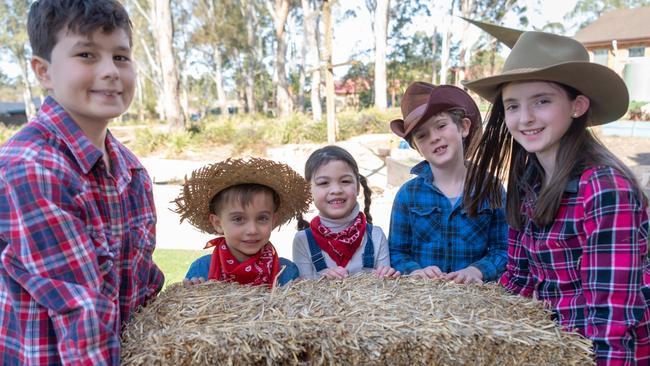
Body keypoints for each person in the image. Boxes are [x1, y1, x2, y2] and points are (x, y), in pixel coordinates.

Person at [462, 23, 650, 365]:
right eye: (513, 106)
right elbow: (519, 279)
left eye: (542, 101)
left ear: (577, 105)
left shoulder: (605, 189)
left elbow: (612, 321)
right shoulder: (527, 180)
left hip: (595, 354)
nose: (525, 118)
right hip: (550, 347)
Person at [0, 1, 164, 364]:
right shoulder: (32, 167)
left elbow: (142, 288)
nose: (110, 71)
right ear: (43, 71)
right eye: (87, 54)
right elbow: (81, 311)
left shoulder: (130, 171)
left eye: (121, 57)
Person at [387, 82, 508, 284]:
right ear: (416, 147)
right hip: (424, 302)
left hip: (476, 301)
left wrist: (477, 270)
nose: (434, 138)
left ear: (464, 127)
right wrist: (415, 271)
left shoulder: (491, 188)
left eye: (441, 125)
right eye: (422, 135)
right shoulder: (407, 195)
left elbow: (504, 248)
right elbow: (397, 252)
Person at [174, 158, 311, 287]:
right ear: (217, 223)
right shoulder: (202, 270)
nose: (252, 230)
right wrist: (191, 295)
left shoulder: (286, 273)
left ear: (273, 221)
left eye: (262, 218)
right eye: (238, 219)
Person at [293, 145, 399, 279]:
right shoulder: (303, 241)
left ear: (358, 187)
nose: (336, 190)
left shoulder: (376, 236)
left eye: (345, 181)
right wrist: (321, 281)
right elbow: (302, 292)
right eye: (324, 183)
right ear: (309, 191)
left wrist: (387, 275)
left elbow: (386, 289)